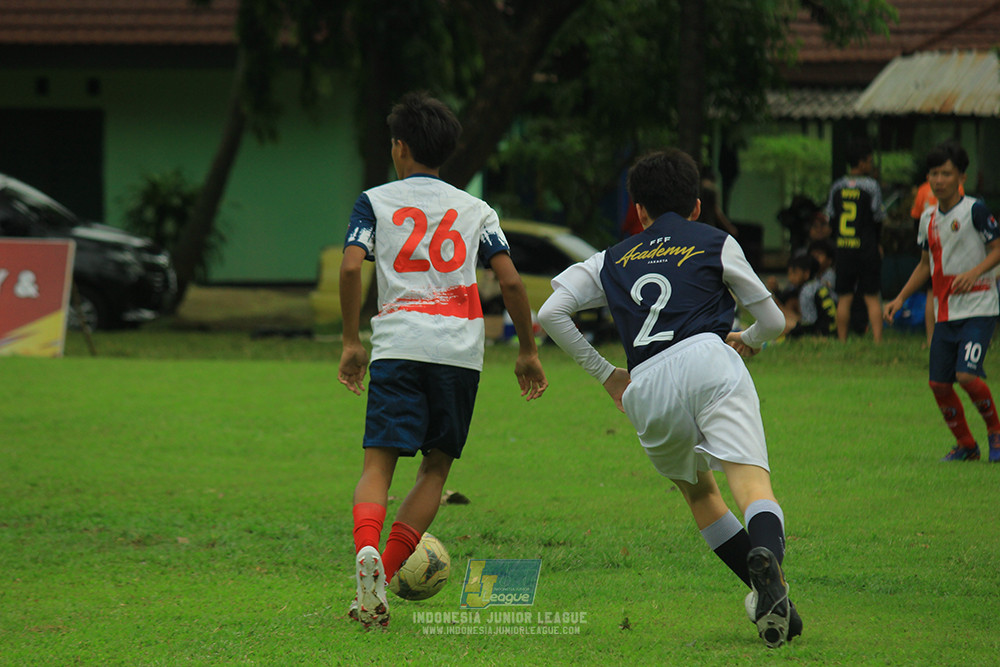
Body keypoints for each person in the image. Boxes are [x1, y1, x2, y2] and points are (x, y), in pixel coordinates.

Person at [538, 149, 802, 648]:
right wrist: (749, 340)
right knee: (750, 482)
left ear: (638, 210)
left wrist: (606, 375)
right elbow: (774, 321)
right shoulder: (715, 241)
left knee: (699, 493)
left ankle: (774, 597)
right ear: (697, 206)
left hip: (647, 384)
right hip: (709, 360)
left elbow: (551, 313)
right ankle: (770, 565)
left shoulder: (610, 258)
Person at [339, 92, 548, 629]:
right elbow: (510, 281)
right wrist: (527, 350)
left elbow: (350, 268)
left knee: (378, 466)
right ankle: (382, 577)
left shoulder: (374, 201)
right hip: (458, 353)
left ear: (399, 147)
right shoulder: (477, 210)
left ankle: (367, 552)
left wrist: (351, 342)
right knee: (435, 468)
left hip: (398, 345)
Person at [884, 141, 1000, 463]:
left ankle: (996, 432)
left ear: (961, 177)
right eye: (934, 173)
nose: (939, 180)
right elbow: (926, 265)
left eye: (946, 173)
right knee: (938, 383)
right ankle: (966, 445)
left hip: (979, 307)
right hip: (946, 311)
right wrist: (900, 298)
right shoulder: (928, 218)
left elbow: (997, 249)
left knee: (966, 376)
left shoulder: (976, 210)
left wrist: (974, 273)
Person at [825, 138, 886, 342]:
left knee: (844, 297)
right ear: (861, 162)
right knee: (871, 297)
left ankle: (842, 339)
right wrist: (877, 243)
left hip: (844, 249)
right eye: (869, 161)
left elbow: (831, 218)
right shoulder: (871, 186)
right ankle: (878, 340)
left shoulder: (837, 186)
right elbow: (878, 218)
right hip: (866, 249)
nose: (871, 165)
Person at [911, 177, 965, 346]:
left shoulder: (922, 190)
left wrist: (924, 243)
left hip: (933, 245)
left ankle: (931, 339)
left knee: (932, 292)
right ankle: (943, 338)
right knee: (942, 291)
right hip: (949, 246)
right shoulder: (956, 186)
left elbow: (915, 220)